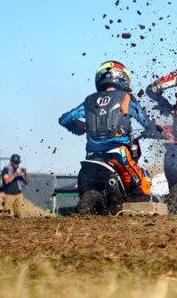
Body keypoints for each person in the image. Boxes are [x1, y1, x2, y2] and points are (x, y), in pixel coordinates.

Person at [59, 61, 164, 197]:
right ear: (123, 78)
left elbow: (65, 119)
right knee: (141, 191)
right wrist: (157, 132)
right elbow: (146, 122)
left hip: (92, 157)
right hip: (119, 154)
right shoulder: (127, 99)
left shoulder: (89, 101)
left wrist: (77, 128)